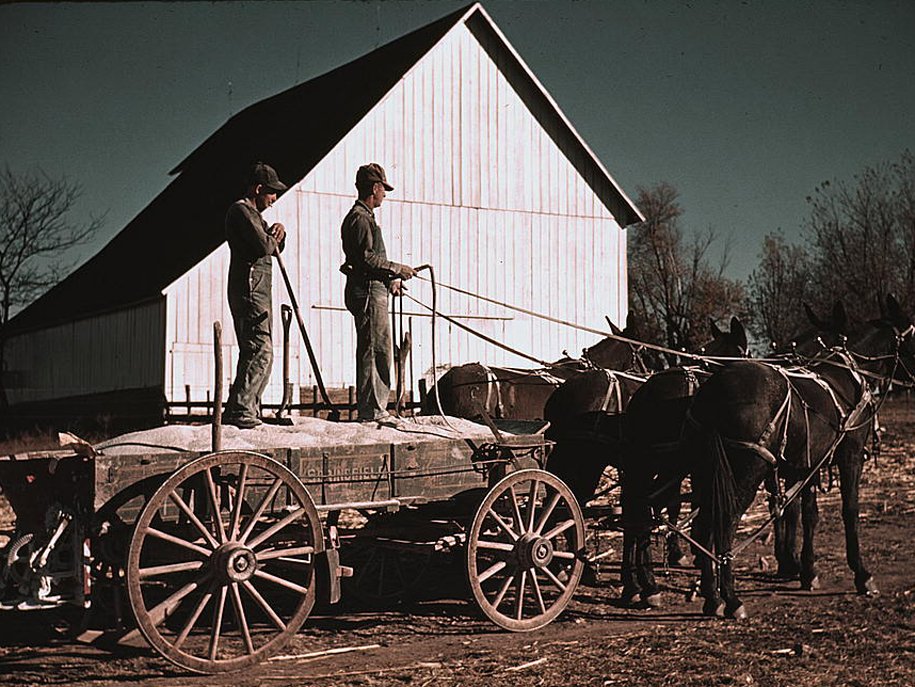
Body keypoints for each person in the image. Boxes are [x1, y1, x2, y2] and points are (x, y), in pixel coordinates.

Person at [340, 163, 415, 425]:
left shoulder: (365, 218)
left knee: (377, 347)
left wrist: (390, 280)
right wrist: (397, 269)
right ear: (374, 188)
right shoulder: (360, 219)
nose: (384, 194)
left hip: (373, 289)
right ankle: (373, 410)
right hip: (369, 293)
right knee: (376, 349)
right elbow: (366, 259)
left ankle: (374, 407)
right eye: (383, 189)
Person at [223, 162, 287, 429]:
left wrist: (279, 233)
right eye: (271, 193)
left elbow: (270, 244)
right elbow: (263, 245)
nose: (274, 199)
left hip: (258, 291)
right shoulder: (242, 211)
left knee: (261, 349)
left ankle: (248, 408)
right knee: (260, 349)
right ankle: (241, 409)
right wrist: (275, 236)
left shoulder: (256, 216)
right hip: (250, 291)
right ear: (258, 188)